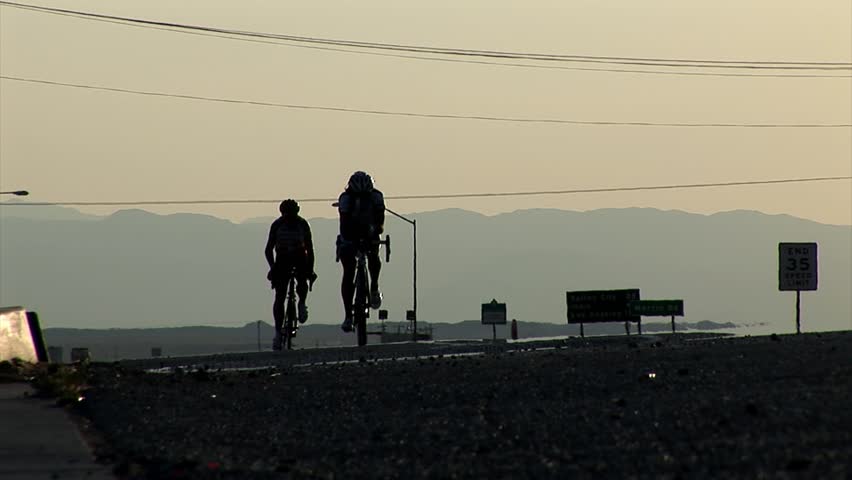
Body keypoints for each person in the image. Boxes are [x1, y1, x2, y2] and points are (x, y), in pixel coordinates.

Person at [265, 199, 316, 350]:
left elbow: (310, 248)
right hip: (282, 259)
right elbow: (268, 249)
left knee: (302, 280)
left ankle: (301, 303)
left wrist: (310, 269)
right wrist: (273, 267)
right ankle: (278, 333)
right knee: (280, 296)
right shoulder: (277, 225)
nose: (290, 217)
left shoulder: (303, 224)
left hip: (300, 257)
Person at [337, 171, 385, 332]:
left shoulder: (376, 197)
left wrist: (376, 232)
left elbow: (380, 221)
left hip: (370, 232)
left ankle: (374, 287)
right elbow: (344, 223)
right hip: (349, 233)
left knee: (374, 257)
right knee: (348, 271)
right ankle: (347, 315)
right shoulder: (345, 198)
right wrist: (348, 240)